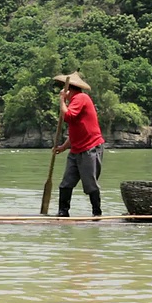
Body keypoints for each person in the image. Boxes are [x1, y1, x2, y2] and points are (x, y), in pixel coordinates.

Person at [52, 71, 105, 217]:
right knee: (66, 183)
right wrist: (63, 147)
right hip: (76, 150)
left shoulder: (81, 98)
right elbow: (76, 131)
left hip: (90, 148)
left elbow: (68, 116)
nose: (61, 92)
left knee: (90, 184)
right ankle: (63, 212)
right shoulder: (74, 101)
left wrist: (62, 101)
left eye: (63, 89)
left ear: (69, 89)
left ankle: (97, 213)